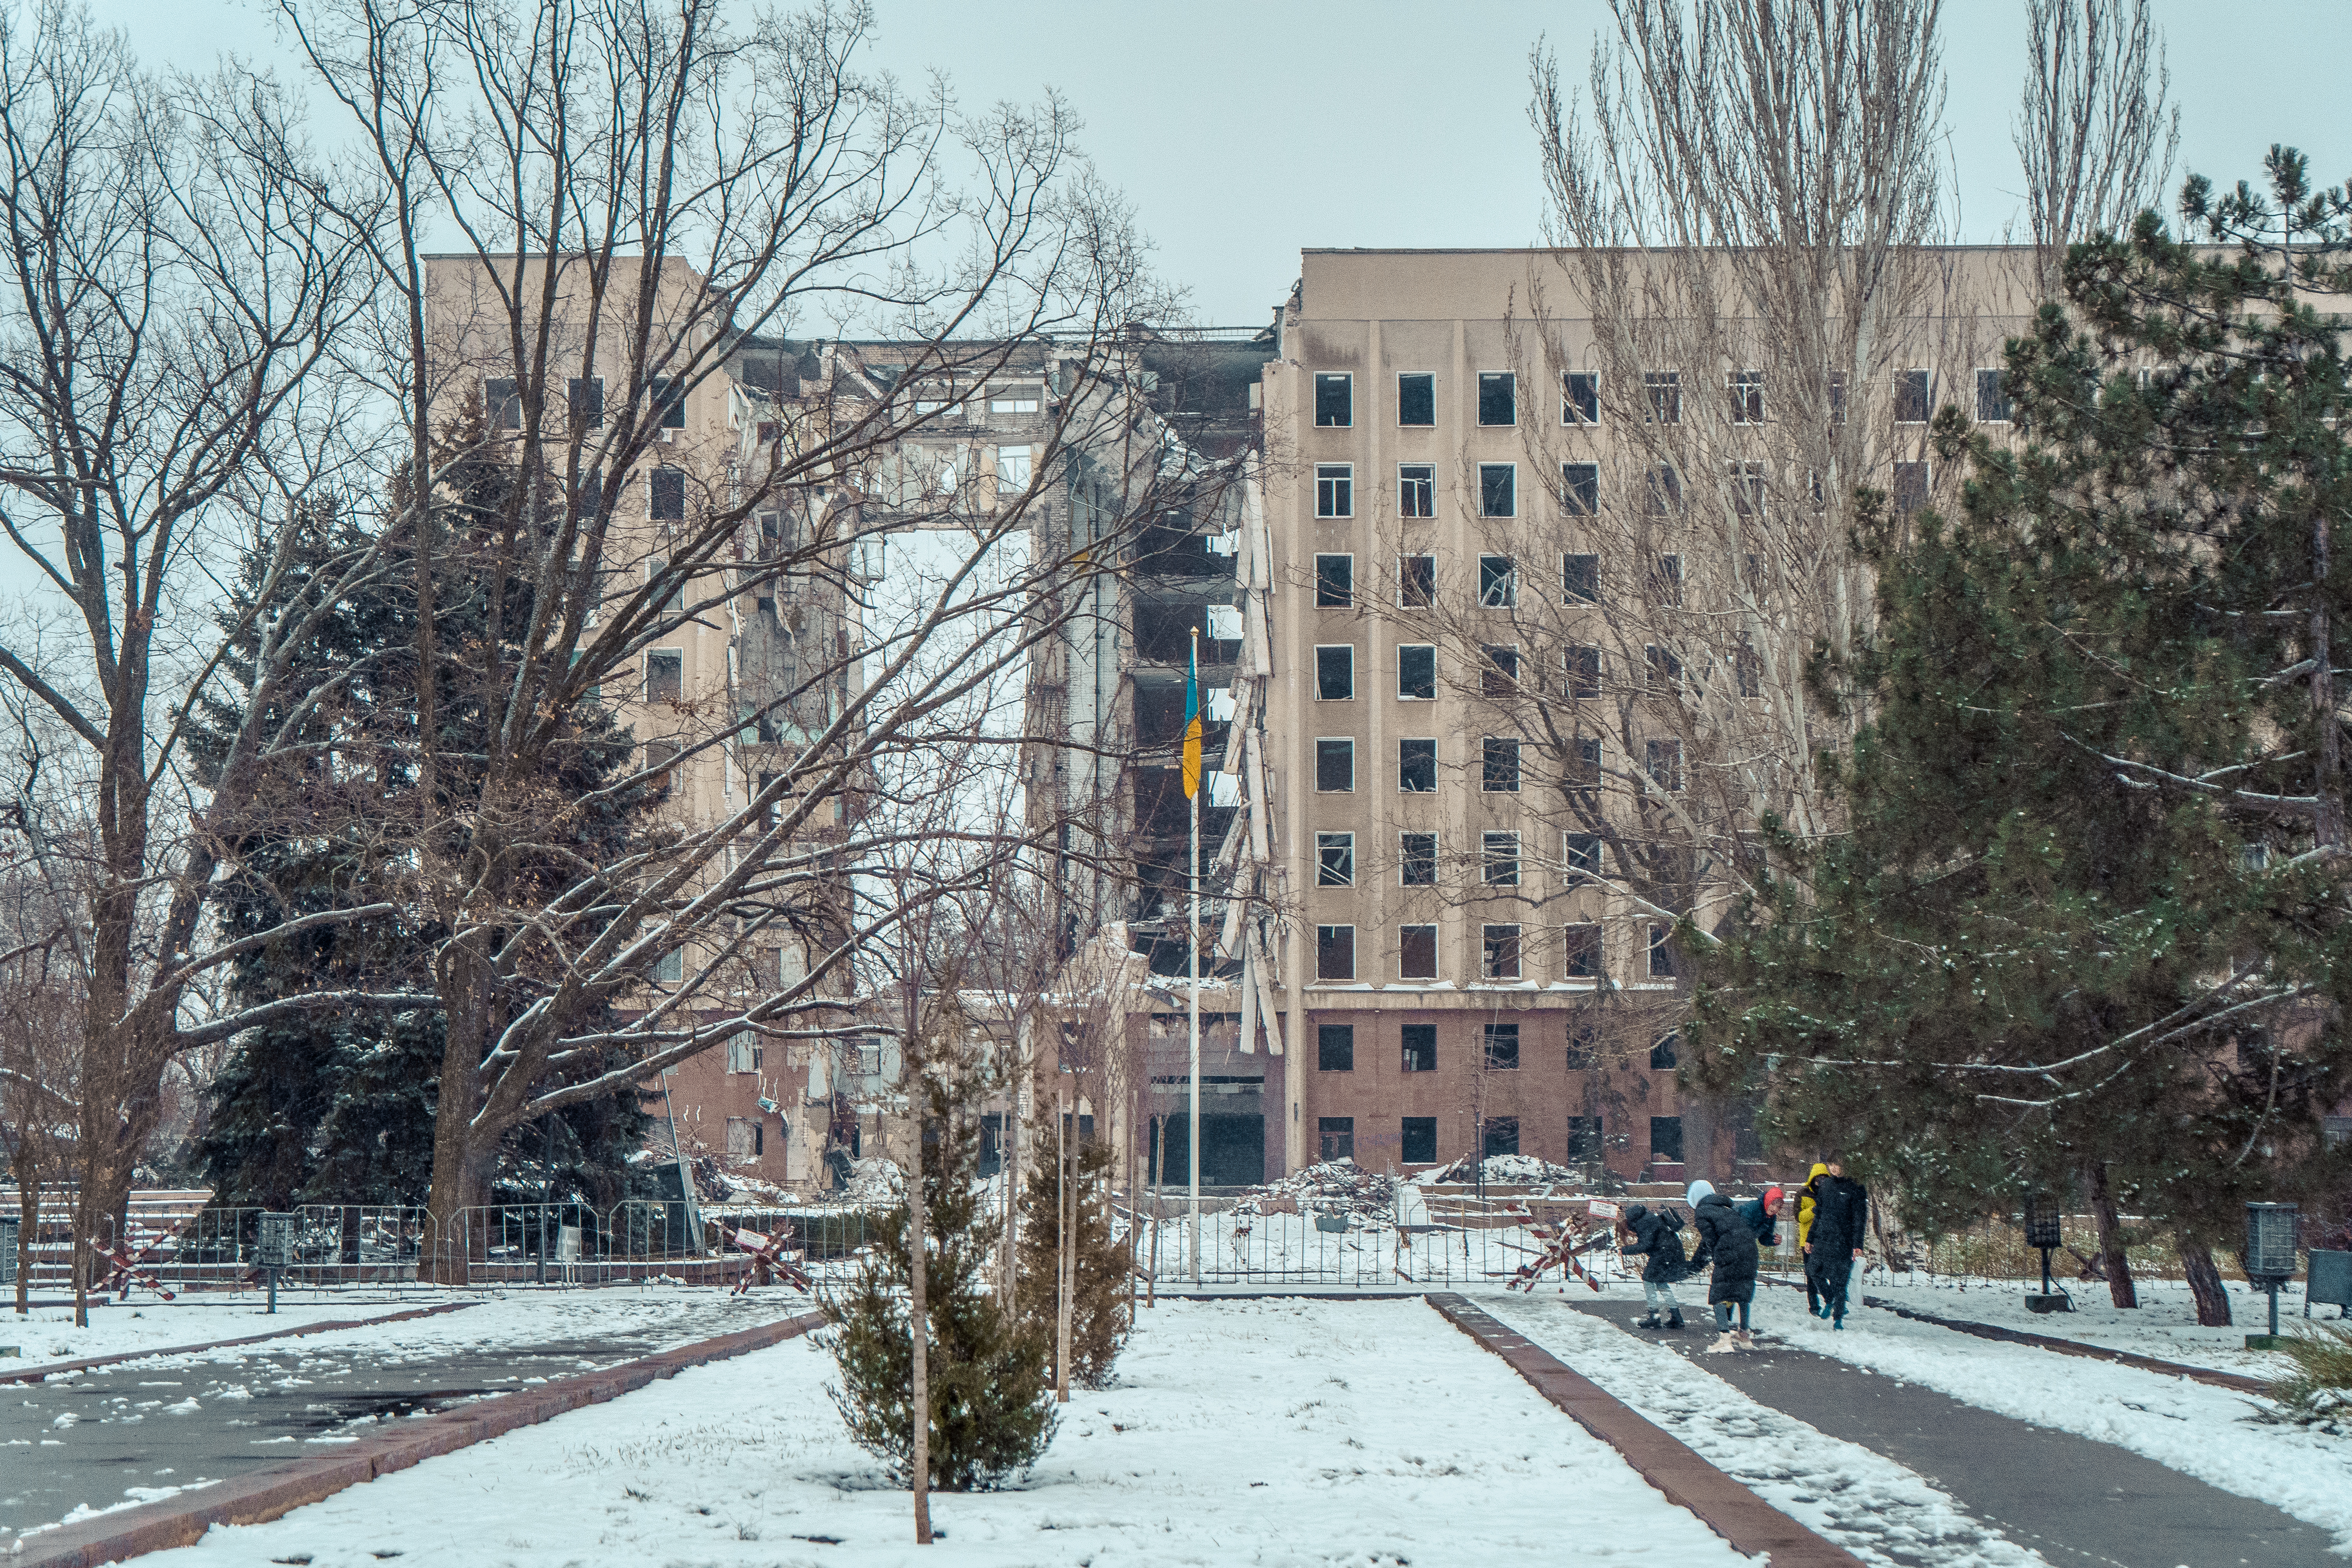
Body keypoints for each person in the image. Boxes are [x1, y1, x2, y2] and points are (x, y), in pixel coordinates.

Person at [1686, 1179, 1760, 1352]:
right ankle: (1744, 1335)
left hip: (1729, 1253)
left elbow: (1710, 1241)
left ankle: (1725, 1339)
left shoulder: (1703, 1211)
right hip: (1750, 1252)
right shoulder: (1727, 1209)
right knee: (1742, 1292)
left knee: (1719, 1294)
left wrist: (1706, 1261)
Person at [1805, 1157, 1870, 1328]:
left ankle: (1838, 1319)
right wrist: (1810, 1239)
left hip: (1844, 1240)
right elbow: (1818, 1214)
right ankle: (1830, 1298)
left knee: (1839, 1281)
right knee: (1813, 1270)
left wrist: (1858, 1244)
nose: (1834, 1168)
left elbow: (1860, 1219)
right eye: (1831, 1165)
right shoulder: (1826, 1185)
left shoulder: (1856, 1187)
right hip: (1823, 1238)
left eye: (1838, 1165)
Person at [1617, 1203, 1688, 1331]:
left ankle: (1654, 1316)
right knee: (1661, 1283)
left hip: (1664, 1254)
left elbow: (1645, 1245)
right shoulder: (1648, 1217)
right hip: (1671, 1253)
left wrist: (1624, 1250)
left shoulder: (1644, 1223)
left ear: (1632, 1220)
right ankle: (1677, 1318)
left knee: (1648, 1280)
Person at [1796, 1162, 1830, 1315]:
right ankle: (1814, 1306)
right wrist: (1814, 1210)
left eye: (1824, 1178)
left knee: (1827, 1273)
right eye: (1818, 1178)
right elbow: (1799, 1217)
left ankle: (1831, 1300)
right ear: (1812, 1179)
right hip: (1807, 1242)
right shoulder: (1802, 1194)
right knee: (1811, 1275)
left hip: (1825, 1240)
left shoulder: (1830, 1194)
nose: (1820, 1181)